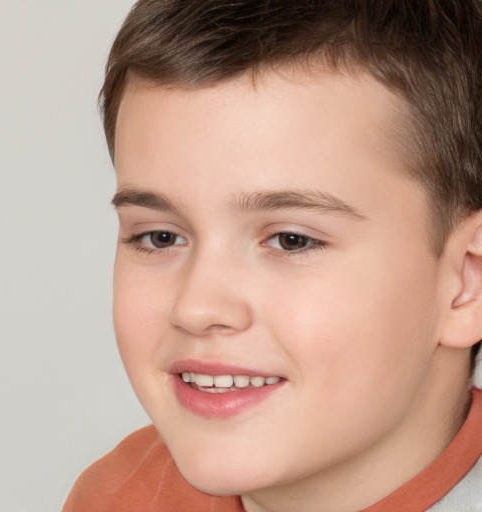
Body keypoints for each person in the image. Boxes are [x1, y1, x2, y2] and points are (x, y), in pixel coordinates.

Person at [63, 1, 482, 510]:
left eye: (291, 240)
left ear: (467, 281)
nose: (195, 308)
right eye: (160, 237)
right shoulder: (119, 495)